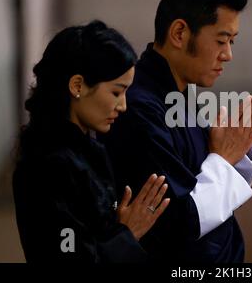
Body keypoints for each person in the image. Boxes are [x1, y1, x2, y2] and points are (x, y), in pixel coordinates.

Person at [101, 0, 252, 263]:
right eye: (221, 40)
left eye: (232, 42)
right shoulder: (139, 108)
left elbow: (206, 181)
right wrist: (224, 159)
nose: (228, 54)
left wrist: (235, 149)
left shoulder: (177, 92)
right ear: (179, 33)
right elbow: (183, 220)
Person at [13, 20, 170, 263]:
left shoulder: (90, 149)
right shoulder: (46, 167)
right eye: (116, 92)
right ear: (77, 85)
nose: (123, 106)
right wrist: (128, 233)